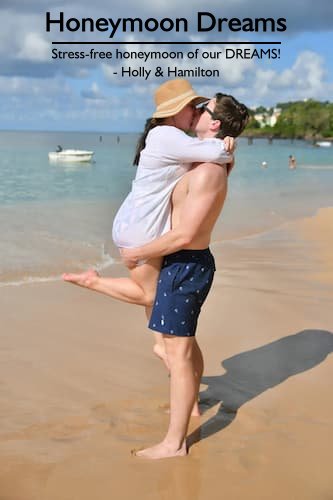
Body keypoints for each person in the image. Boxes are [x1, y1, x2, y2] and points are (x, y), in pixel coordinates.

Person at [120, 94, 249, 459]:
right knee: (185, 347)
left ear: (215, 123)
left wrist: (140, 252)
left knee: (177, 355)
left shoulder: (206, 172)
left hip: (185, 264)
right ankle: (191, 406)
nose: (194, 113)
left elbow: (186, 234)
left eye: (202, 110)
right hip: (182, 263)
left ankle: (174, 444)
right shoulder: (203, 161)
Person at [63, 80, 233, 312]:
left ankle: (163, 346)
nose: (195, 111)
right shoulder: (166, 135)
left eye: (197, 106)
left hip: (137, 220)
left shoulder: (168, 136)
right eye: (191, 106)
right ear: (174, 111)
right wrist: (228, 146)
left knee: (151, 297)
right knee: (149, 295)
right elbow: (215, 152)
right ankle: (92, 281)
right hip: (142, 226)